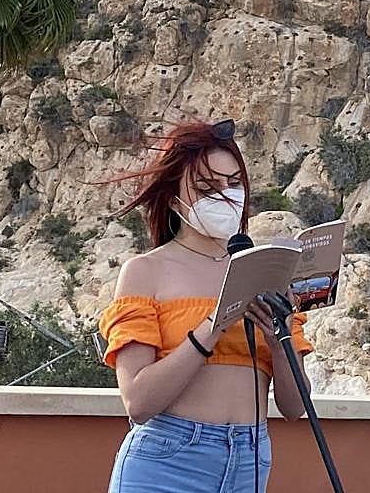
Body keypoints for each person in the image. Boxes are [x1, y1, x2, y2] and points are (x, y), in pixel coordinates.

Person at [98, 119, 313, 493]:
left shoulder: (266, 269)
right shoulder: (145, 271)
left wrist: (279, 339)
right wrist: (214, 324)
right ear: (173, 195)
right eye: (206, 187)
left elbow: (295, 407)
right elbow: (138, 401)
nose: (224, 196)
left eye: (233, 184)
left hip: (249, 458)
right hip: (168, 458)